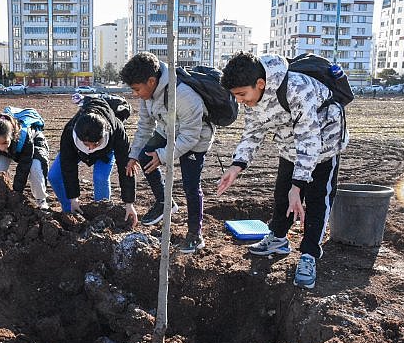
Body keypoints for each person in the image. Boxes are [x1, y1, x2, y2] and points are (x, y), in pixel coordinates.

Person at [217, 51, 349, 289]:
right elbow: (253, 133)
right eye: (235, 96)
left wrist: (298, 186)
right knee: (282, 197)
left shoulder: (298, 89)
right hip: (289, 147)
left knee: (318, 201)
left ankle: (309, 255)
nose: (239, 100)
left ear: (260, 84)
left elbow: (309, 139)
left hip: (323, 146)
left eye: (241, 95)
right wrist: (236, 166)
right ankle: (278, 238)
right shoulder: (252, 98)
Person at [119, 51, 215, 254]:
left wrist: (163, 156)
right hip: (167, 130)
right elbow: (145, 126)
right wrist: (134, 155)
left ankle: (195, 235)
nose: (135, 94)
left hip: (196, 139)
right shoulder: (147, 95)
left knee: (190, 185)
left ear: (151, 81)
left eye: (137, 89)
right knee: (146, 156)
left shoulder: (182, 95)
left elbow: (190, 136)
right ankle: (165, 202)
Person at [47, 97, 138, 227]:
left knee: (100, 178)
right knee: (54, 176)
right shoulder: (70, 131)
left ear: (105, 132)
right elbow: (68, 165)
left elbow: (126, 168)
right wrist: (73, 198)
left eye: (95, 144)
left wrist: (129, 204)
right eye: (87, 144)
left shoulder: (117, 130)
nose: (91, 148)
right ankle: (70, 211)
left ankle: (102, 217)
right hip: (76, 150)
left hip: (105, 152)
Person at [0, 111, 50, 210]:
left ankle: (41, 199)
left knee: (36, 168)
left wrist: (16, 195)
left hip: (33, 144)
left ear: (12, 135)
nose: (1, 147)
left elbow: (23, 168)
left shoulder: (25, 137)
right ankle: (0, 196)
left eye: (5, 142)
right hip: (11, 149)